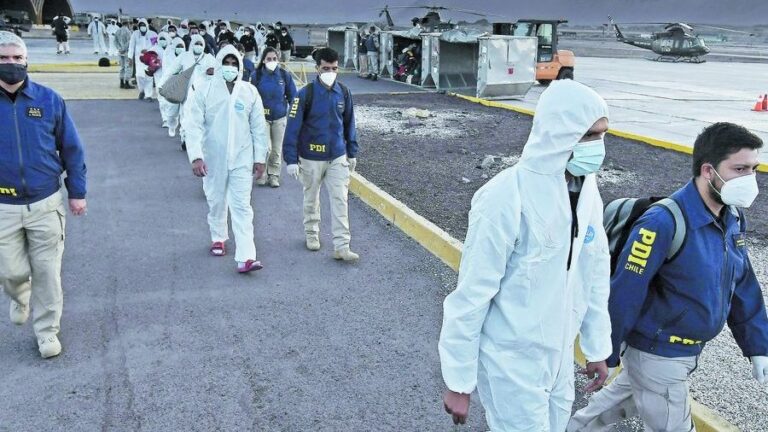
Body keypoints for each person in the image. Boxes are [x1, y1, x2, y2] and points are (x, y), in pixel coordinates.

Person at [568, 122, 768, 432]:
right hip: (658, 354)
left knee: (602, 414)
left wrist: (757, 344)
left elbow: (742, 283)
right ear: (708, 171)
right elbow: (626, 291)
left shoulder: (732, 216)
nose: (749, 179)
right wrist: (605, 353)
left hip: (682, 352)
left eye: (753, 169)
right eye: (739, 169)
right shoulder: (662, 222)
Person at [439, 80, 613, 431]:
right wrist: (458, 381)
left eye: (602, 135)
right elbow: (472, 294)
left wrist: (596, 347)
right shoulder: (505, 196)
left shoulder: (586, 192)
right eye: (590, 136)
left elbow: (593, 272)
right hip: (511, 363)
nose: (598, 146)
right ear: (560, 132)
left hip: (558, 359)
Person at [0, 31, 87, 359]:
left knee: (48, 272)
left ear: (27, 61)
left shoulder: (49, 100)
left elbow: (72, 149)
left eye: (16, 58)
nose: (11, 64)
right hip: (3, 205)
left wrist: (77, 192)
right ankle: (19, 293)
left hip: (45, 203)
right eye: (3, 58)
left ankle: (47, 331)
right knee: (10, 272)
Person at [182, 45, 268, 273]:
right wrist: (196, 156)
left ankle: (246, 257)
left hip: (242, 158)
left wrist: (260, 158)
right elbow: (193, 125)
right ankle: (218, 237)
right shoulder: (204, 89)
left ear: (240, 66)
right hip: (213, 157)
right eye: (226, 63)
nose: (230, 67)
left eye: (234, 63)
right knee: (217, 200)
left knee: (242, 206)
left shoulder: (249, 92)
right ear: (219, 65)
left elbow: (259, 128)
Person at [283, 48, 360, 261]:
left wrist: (352, 152)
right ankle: (311, 233)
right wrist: (291, 159)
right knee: (311, 198)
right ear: (317, 68)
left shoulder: (343, 92)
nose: (330, 72)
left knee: (340, 200)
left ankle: (342, 246)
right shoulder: (304, 95)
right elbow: (292, 128)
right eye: (326, 68)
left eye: (334, 68)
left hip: (337, 156)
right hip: (311, 158)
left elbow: (349, 123)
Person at [250, 47, 297, 188]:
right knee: (266, 148)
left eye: (274, 59)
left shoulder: (284, 76)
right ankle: (261, 174)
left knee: (276, 149)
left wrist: (294, 116)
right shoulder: (256, 76)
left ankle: (274, 175)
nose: (272, 61)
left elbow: (293, 97)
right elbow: (250, 97)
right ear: (263, 60)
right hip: (262, 118)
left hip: (279, 118)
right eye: (269, 59)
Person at [163, 34, 216, 149]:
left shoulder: (209, 59)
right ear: (192, 45)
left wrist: (211, 73)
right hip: (186, 93)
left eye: (200, 44)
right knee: (185, 116)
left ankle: (198, 140)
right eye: (196, 44)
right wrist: (163, 84)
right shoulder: (184, 57)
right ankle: (184, 138)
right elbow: (171, 70)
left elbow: (216, 73)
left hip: (202, 95)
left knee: (199, 118)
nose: (198, 46)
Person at [128, 18, 158, 100]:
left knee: (148, 76)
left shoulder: (153, 34)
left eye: (143, 25)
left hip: (149, 59)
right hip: (139, 59)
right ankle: (142, 91)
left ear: (147, 25)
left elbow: (156, 46)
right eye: (140, 25)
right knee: (139, 76)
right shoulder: (135, 34)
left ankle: (148, 95)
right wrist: (130, 57)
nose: (142, 26)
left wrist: (148, 50)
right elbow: (131, 46)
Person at [114, 20, 134, 89]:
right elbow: (129, 42)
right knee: (128, 67)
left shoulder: (118, 31)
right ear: (128, 24)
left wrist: (119, 49)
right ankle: (127, 83)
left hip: (120, 52)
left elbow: (115, 41)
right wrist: (123, 49)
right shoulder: (128, 32)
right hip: (127, 52)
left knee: (122, 67)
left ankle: (121, 83)